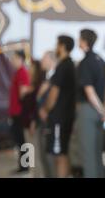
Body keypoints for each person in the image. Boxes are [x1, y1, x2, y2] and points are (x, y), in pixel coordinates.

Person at [38, 36, 76, 178]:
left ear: (62, 46)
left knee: (59, 155)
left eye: (57, 44)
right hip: (65, 117)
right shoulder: (70, 65)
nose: (56, 47)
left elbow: (54, 93)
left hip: (59, 118)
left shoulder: (64, 66)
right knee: (62, 153)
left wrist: (45, 109)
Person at [76, 29, 105, 178]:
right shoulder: (100, 60)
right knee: (97, 153)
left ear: (84, 41)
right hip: (99, 111)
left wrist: (102, 111)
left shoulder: (85, 62)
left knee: (88, 154)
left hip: (88, 110)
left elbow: (89, 92)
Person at [34, 51, 57, 178]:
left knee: (50, 158)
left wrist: (46, 110)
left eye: (44, 58)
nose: (41, 61)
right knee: (44, 157)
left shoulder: (56, 79)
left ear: (50, 60)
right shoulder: (46, 79)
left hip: (51, 122)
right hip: (43, 122)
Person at [8, 50, 31, 174]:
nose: (12, 60)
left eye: (14, 58)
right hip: (15, 112)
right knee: (19, 140)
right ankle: (22, 166)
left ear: (20, 59)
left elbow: (24, 93)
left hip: (20, 113)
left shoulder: (22, 72)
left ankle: (25, 167)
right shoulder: (17, 73)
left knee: (22, 140)